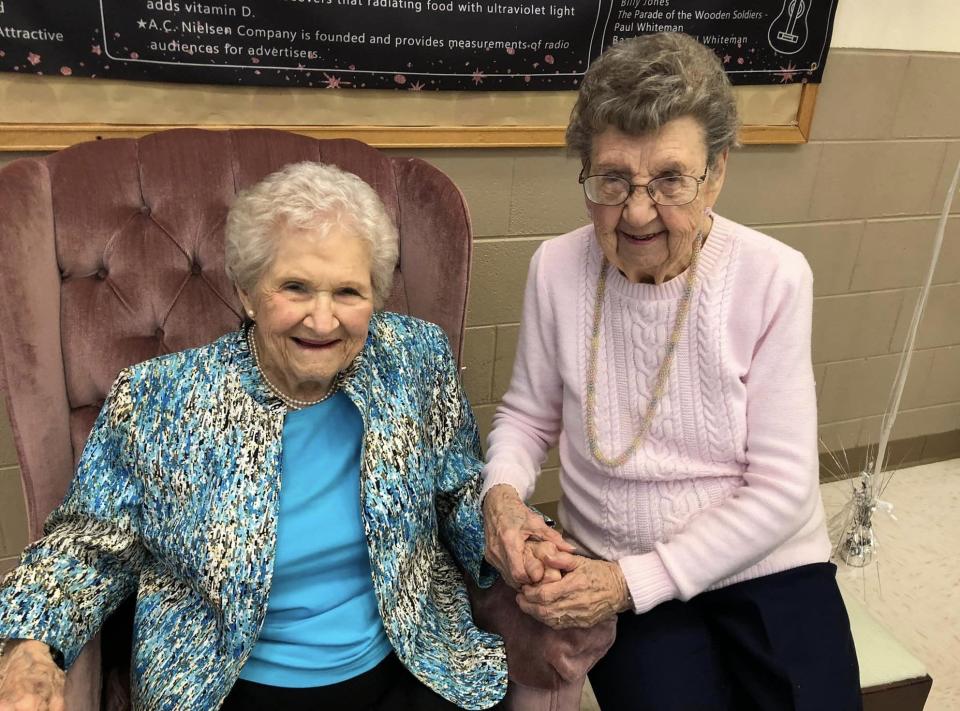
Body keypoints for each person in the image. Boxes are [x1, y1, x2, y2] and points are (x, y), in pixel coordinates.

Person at [0, 161, 509, 711]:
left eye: (347, 292)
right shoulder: (160, 400)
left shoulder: (412, 359)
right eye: (295, 287)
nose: (322, 320)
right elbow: (87, 546)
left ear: (377, 297)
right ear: (246, 292)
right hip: (228, 682)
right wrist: (32, 646)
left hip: (409, 660)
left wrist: (510, 529)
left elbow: (456, 485)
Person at [481, 32, 862, 711]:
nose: (635, 210)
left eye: (670, 179)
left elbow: (780, 489)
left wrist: (635, 583)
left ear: (716, 174)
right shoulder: (554, 268)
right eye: (612, 179)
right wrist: (503, 497)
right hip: (614, 552)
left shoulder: (773, 277)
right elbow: (528, 415)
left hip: (766, 560)